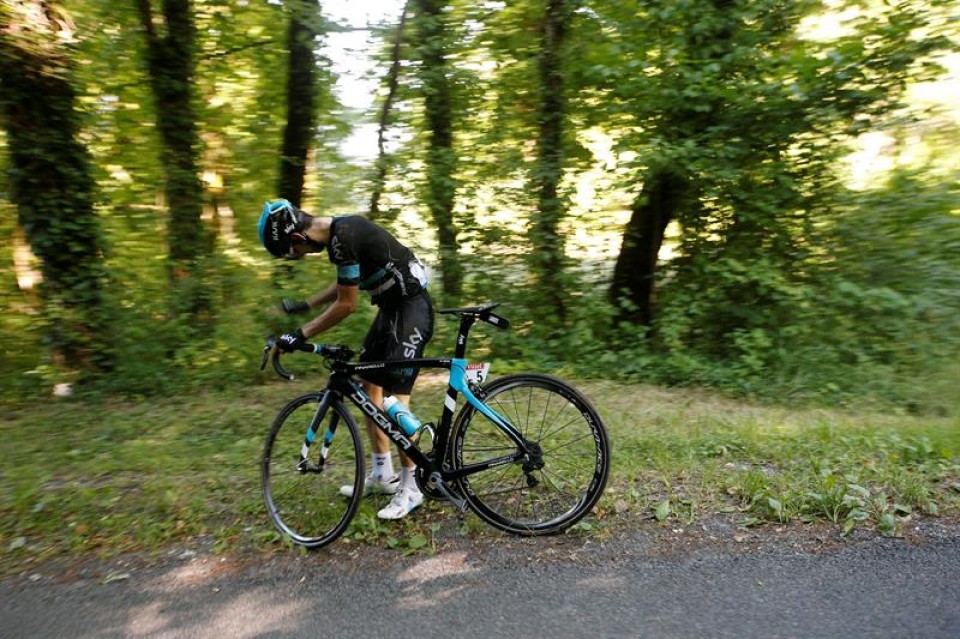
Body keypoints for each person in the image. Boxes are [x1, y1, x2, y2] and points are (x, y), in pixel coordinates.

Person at [257, 199, 434, 520]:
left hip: (411, 311)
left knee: (395, 403)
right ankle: (383, 475)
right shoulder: (340, 234)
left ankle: (413, 487)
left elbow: (347, 304)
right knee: (370, 391)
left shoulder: (344, 236)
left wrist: (299, 334)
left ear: (297, 238)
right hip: (391, 311)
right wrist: (306, 305)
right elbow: (345, 283)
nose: (299, 256)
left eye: (293, 252)